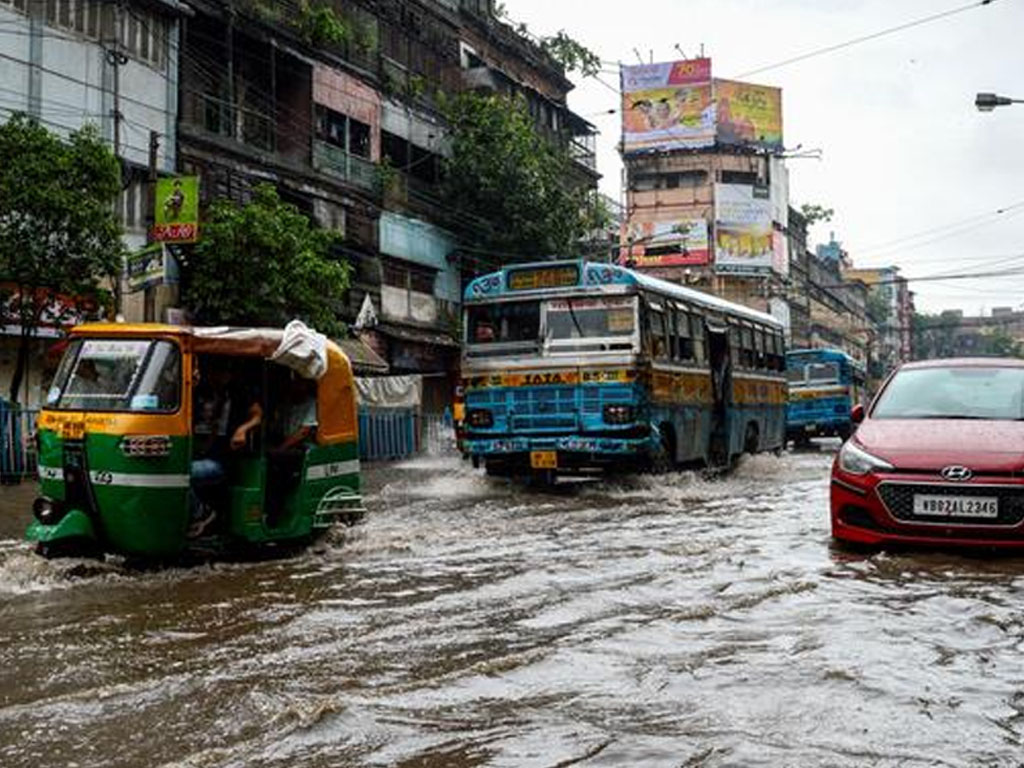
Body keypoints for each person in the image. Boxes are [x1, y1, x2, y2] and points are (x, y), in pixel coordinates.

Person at [188, 366, 262, 537]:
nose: (219, 375)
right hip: (197, 451)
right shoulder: (199, 391)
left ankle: (202, 513)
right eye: (215, 371)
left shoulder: (239, 392)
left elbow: (257, 415)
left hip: (221, 459)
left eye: (223, 371)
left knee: (183, 475)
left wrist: (242, 430)